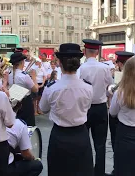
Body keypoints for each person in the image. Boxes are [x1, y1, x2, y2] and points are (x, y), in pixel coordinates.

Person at [39, 43, 94, 176]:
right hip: (81, 134)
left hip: (59, 135)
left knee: (59, 171)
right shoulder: (88, 87)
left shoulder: (52, 88)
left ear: (59, 63)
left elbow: (42, 108)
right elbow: (87, 107)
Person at [78, 39, 113, 176]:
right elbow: (110, 87)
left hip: (85, 108)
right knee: (100, 144)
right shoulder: (104, 68)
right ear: (97, 52)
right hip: (100, 108)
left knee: (84, 142)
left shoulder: (81, 68)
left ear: (85, 52)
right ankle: (99, 172)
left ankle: (85, 170)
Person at [106, 51, 134, 176]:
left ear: (121, 64)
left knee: (117, 144)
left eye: (117, 63)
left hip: (119, 116)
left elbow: (112, 111)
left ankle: (118, 169)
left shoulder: (120, 77)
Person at [4, 52, 39, 126]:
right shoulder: (24, 76)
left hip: (14, 101)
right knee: (28, 124)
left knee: (16, 123)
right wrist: (34, 77)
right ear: (22, 62)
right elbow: (35, 89)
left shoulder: (9, 74)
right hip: (25, 102)